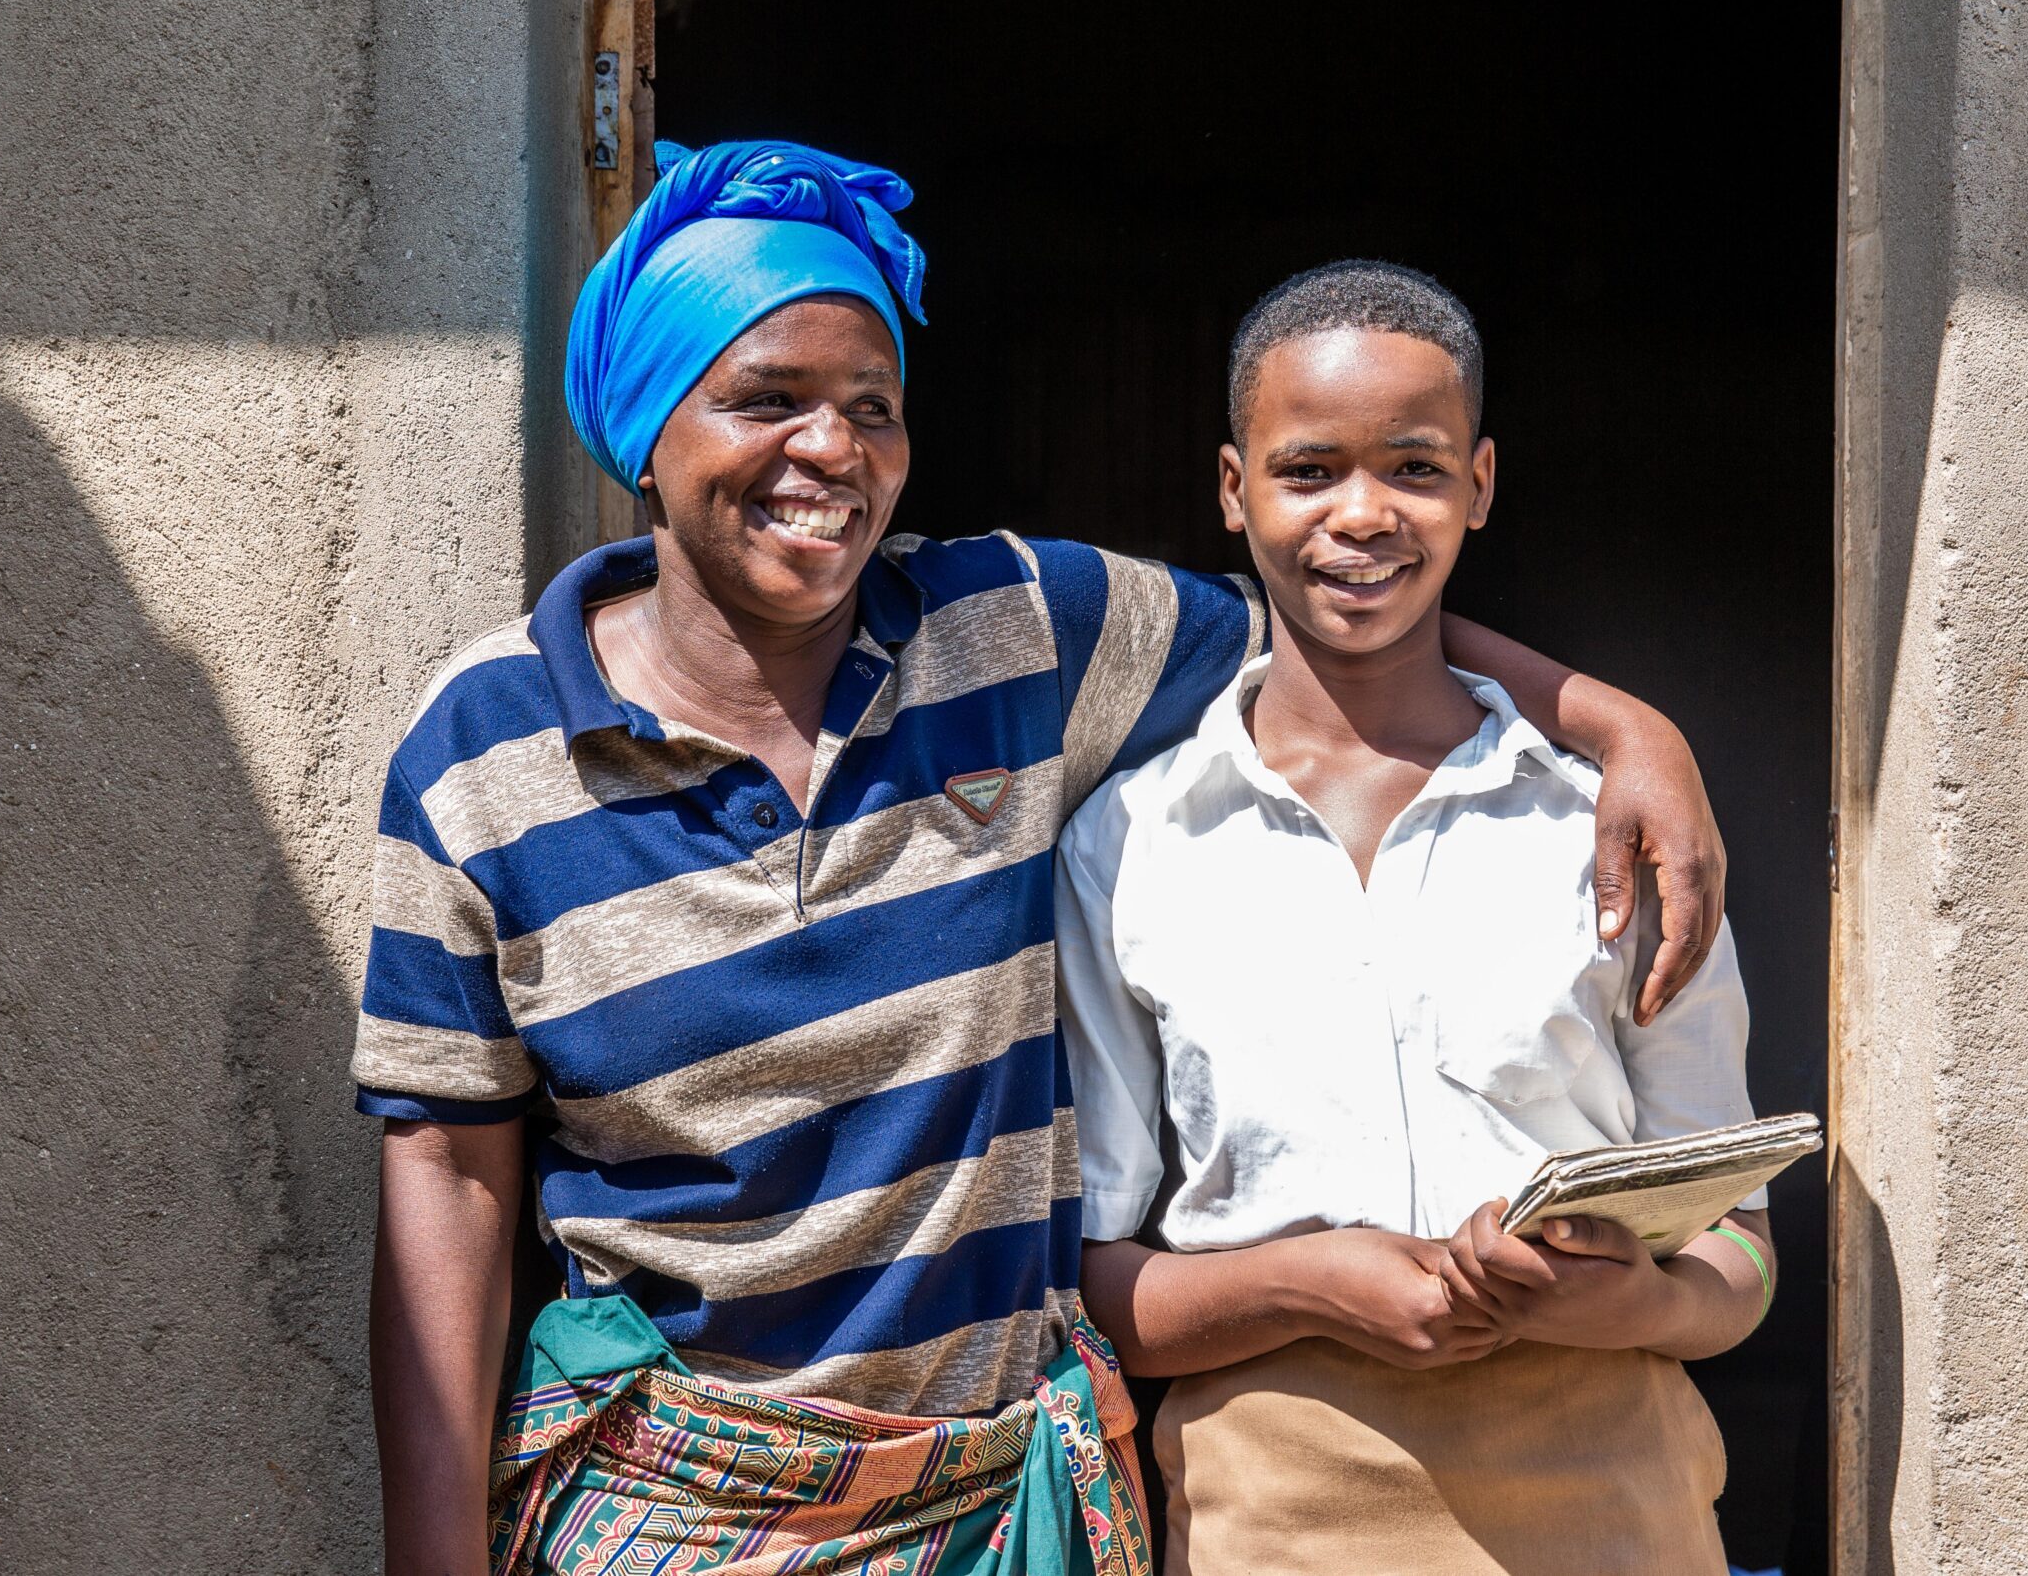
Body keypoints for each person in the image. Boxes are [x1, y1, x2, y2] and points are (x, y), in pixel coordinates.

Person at [353, 143, 1731, 1576]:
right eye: (766, 400)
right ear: (646, 426)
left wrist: (1622, 727)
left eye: (872, 409)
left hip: (993, 1508)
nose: (831, 453)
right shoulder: (482, 758)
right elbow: (447, 1182)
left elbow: (1338, 611)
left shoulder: (1016, 632)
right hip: (672, 1506)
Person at [1056, 261, 1775, 1576]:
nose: (1363, 515)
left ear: (1482, 486)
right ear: (1234, 489)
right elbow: (1103, 1283)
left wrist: (1613, 1305)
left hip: (1614, 1511)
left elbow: (1737, 1261)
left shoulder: (1605, 831)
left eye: (1417, 468)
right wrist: (1312, 1283)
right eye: (1310, 468)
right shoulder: (1135, 843)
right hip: (1269, 1524)